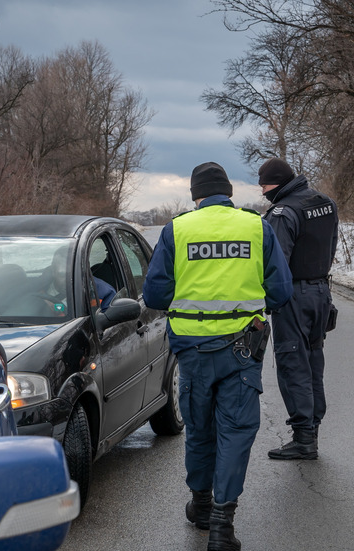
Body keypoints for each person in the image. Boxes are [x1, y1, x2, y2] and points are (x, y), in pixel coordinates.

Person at [143, 161, 293, 551]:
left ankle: (202, 504)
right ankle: (222, 527)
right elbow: (280, 291)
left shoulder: (177, 230)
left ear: (195, 196)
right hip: (242, 351)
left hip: (192, 352)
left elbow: (156, 295)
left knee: (200, 429)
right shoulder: (255, 226)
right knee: (236, 432)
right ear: (227, 192)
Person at [257, 158, 339, 461]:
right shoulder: (325, 203)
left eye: (264, 184)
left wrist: (267, 300)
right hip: (320, 292)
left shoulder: (282, 212)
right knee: (314, 360)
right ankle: (312, 430)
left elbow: (275, 264)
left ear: (276, 182)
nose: (262, 190)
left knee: (293, 363)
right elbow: (330, 247)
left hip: (293, 295)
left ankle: (303, 439)